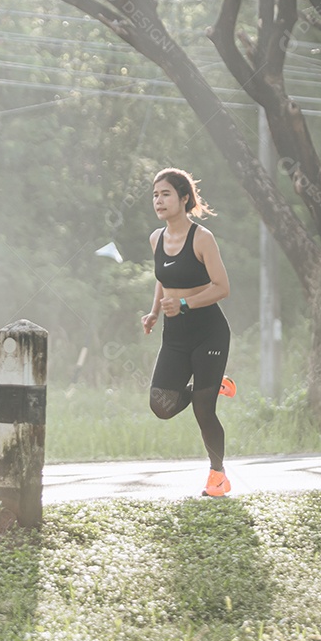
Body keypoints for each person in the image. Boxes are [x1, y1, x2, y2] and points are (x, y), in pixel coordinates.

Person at [141, 168, 233, 497]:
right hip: (174, 335)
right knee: (161, 405)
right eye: (155, 195)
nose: (158, 200)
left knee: (203, 409)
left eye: (165, 194)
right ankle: (212, 382)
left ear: (183, 199)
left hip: (209, 331)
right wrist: (154, 312)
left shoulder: (202, 239)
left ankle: (218, 475)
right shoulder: (156, 238)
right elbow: (163, 278)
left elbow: (222, 288)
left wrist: (184, 303)